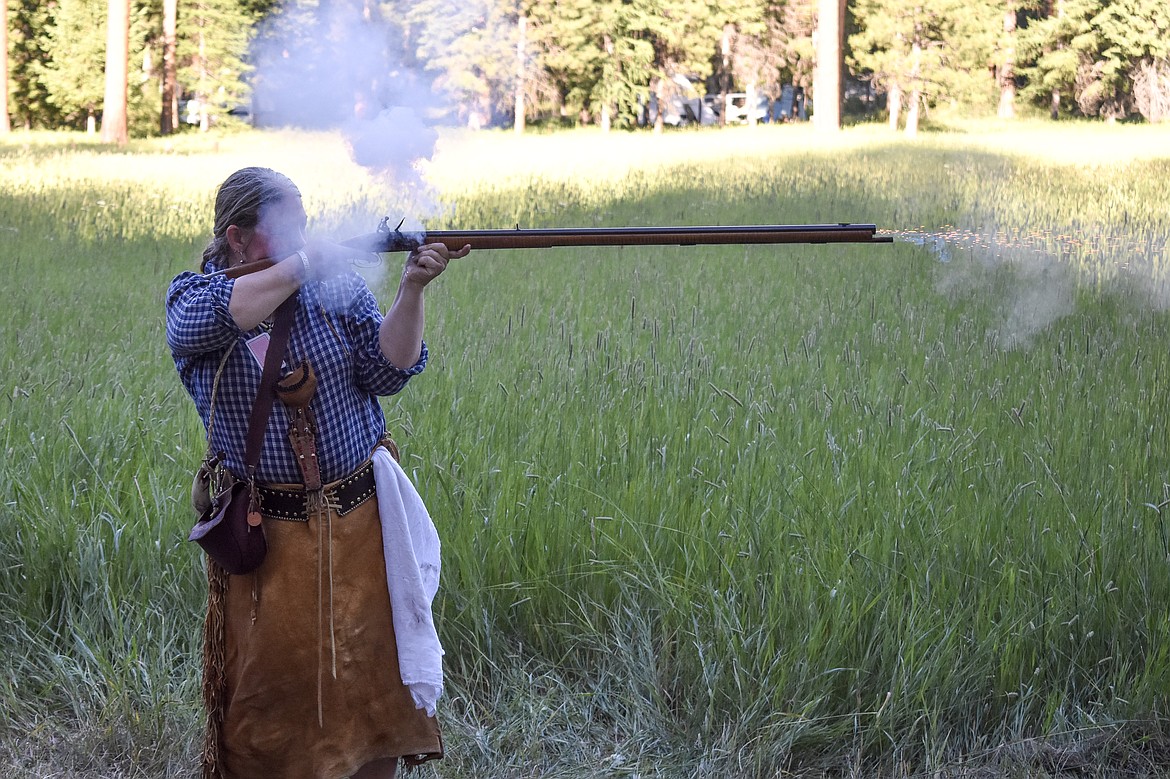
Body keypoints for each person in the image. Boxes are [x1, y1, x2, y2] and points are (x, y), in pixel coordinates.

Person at [166, 166, 469, 779]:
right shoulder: (195, 298)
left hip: (360, 523)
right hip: (269, 539)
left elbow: (389, 370)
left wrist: (411, 289)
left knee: (375, 689)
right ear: (237, 238)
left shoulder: (337, 288)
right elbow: (213, 320)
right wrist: (306, 262)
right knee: (271, 697)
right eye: (288, 225)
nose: (303, 233)